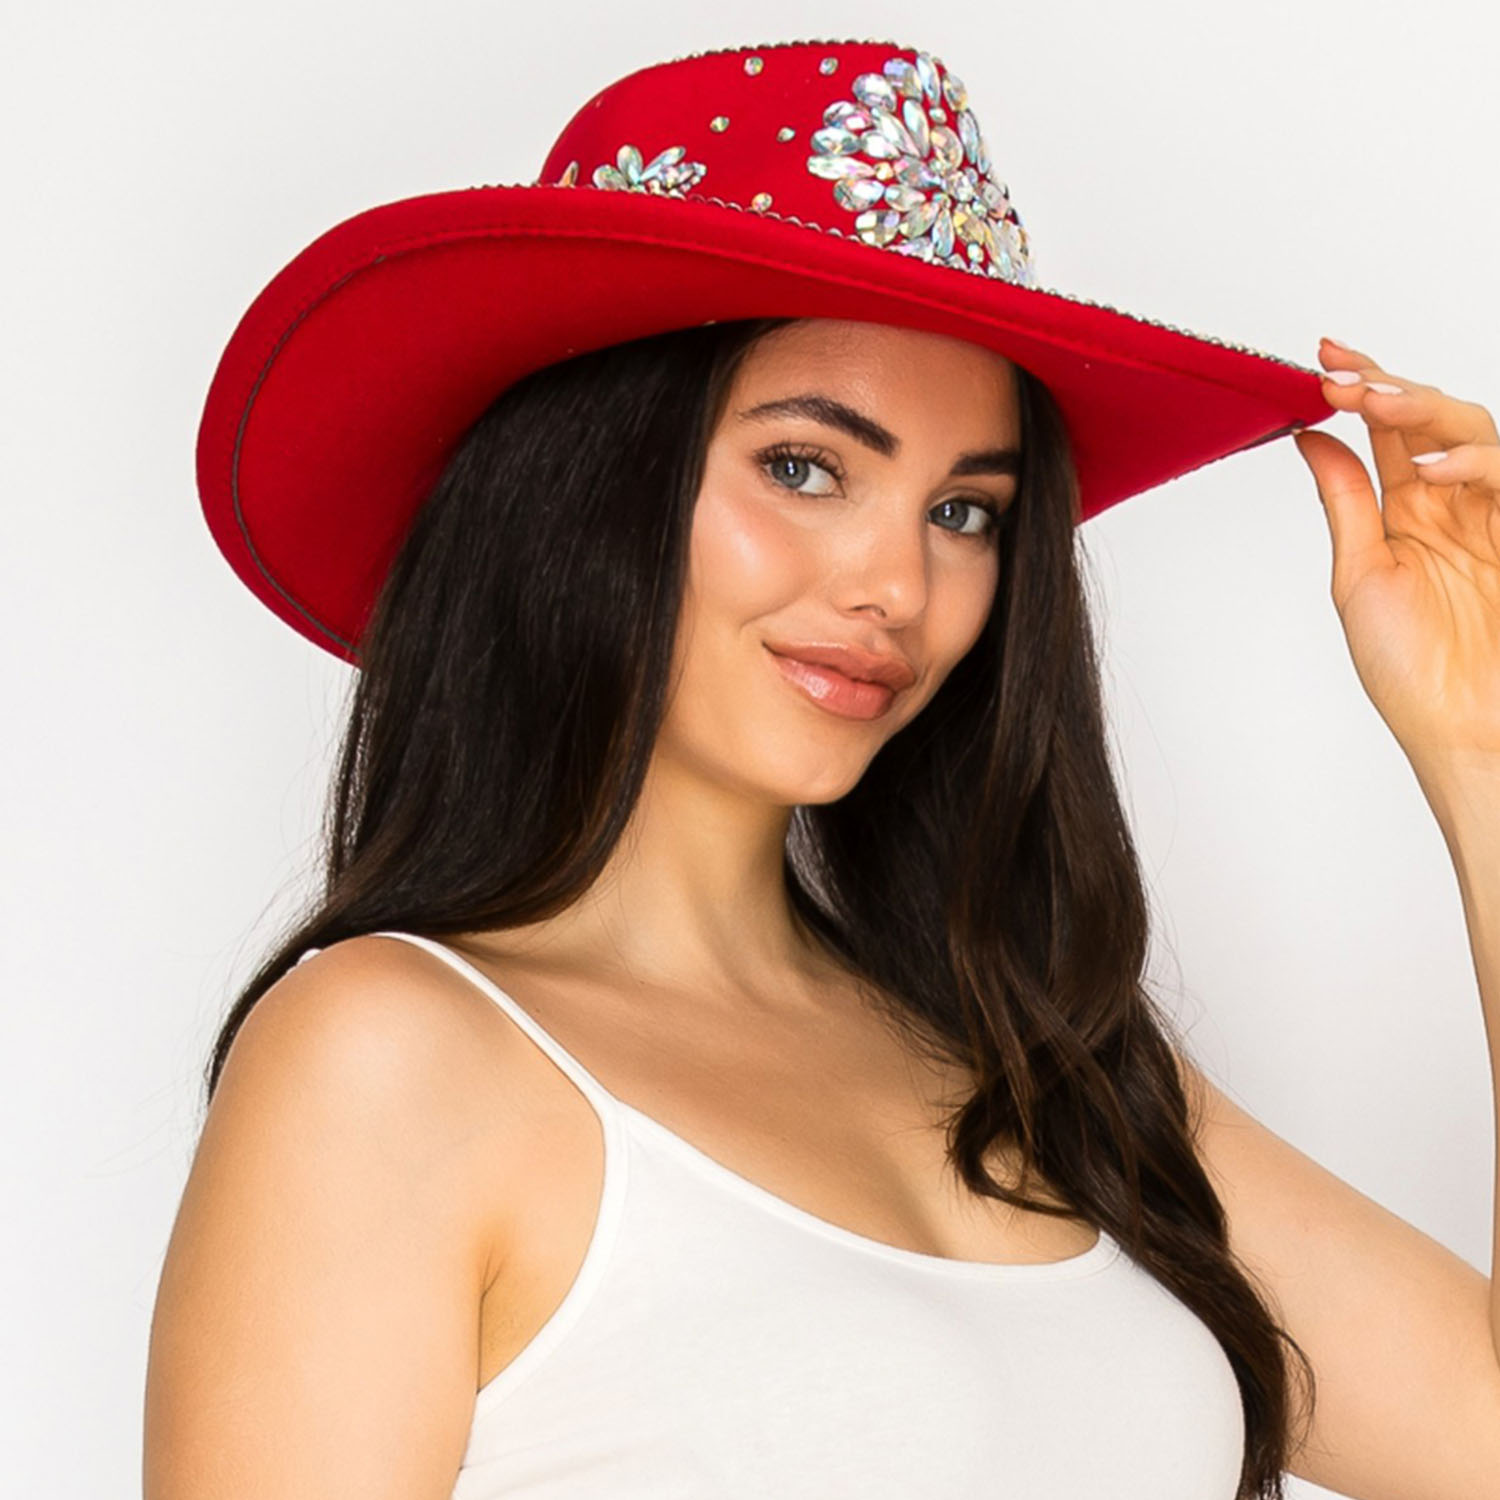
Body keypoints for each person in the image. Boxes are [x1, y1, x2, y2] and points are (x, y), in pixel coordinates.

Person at [145, 37, 1500, 1500]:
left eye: (966, 512)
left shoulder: (1056, 1067)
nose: (898, 588)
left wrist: (1479, 745)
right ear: (589, 481)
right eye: (804, 467)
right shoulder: (389, 1060)